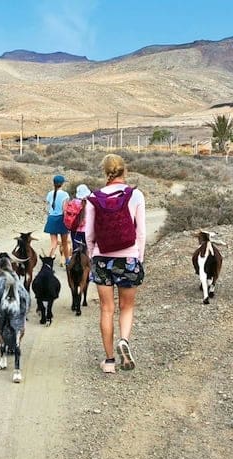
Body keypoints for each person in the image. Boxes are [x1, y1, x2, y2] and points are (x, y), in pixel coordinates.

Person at [84, 154, 146, 374]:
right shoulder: (135, 195)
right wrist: (138, 258)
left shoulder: (94, 197)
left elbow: (89, 234)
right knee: (126, 306)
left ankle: (109, 361)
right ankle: (124, 341)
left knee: (106, 309)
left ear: (105, 172)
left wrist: (93, 256)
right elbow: (141, 232)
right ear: (124, 171)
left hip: (102, 258)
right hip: (128, 257)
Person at [44, 174, 71, 264]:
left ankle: (48, 259)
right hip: (61, 219)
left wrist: (50, 215)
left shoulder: (49, 193)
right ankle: (67, 260)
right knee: (64, 243)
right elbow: (65, 209)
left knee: (53, 243)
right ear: (62, 183)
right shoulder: (65, 194)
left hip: (51, 218)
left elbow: (47, 209)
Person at [70, 183, 91, 248]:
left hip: (74, 229)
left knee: (76, 250)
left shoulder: (72, 202)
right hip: (86, 230)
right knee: (88, 250)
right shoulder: (90, 204)